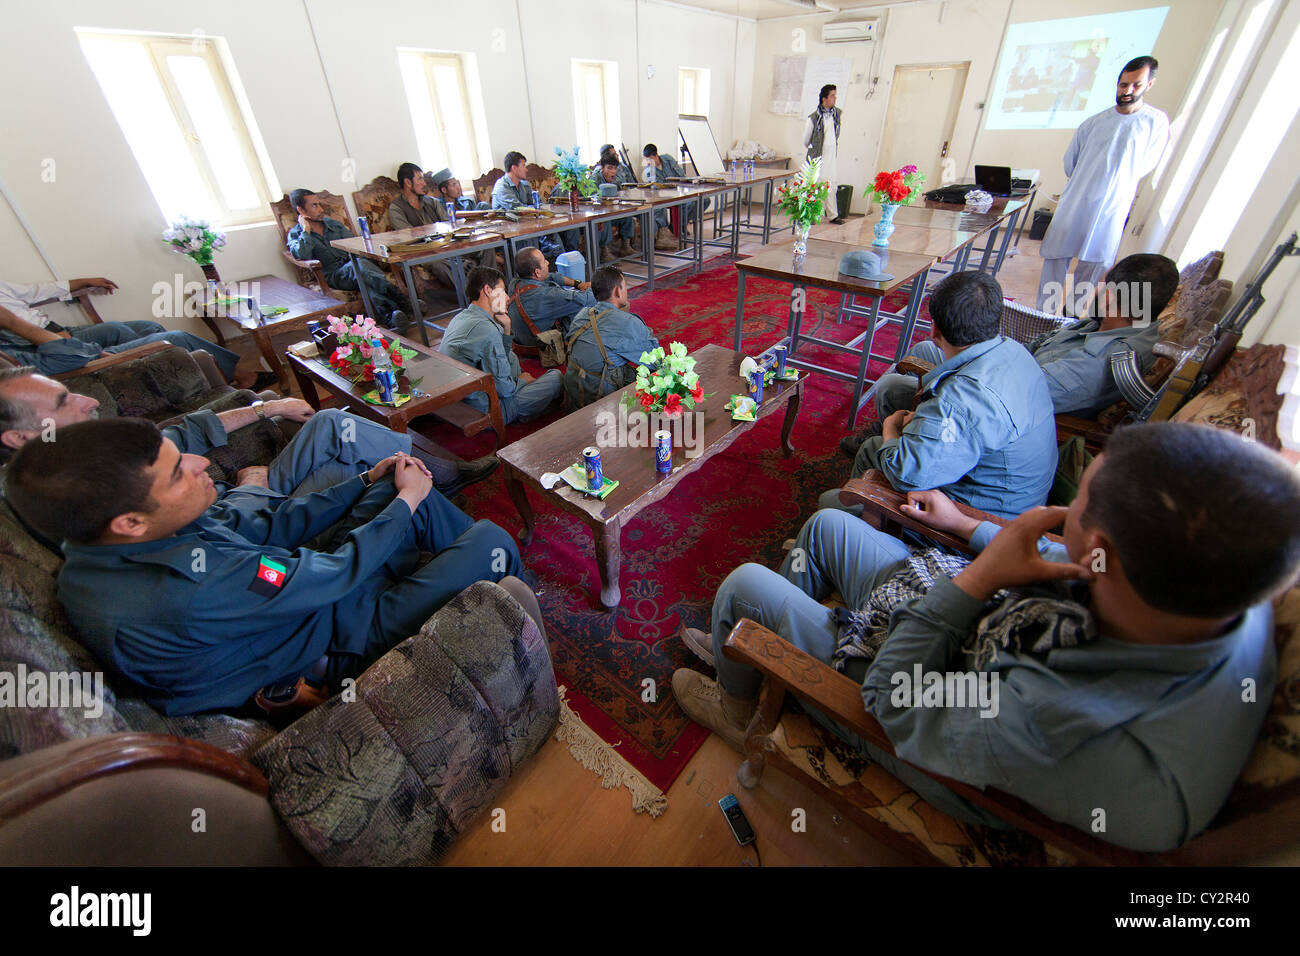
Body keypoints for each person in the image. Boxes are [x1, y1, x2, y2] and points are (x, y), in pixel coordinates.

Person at [673, 422, 1299, 853]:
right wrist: (969, 527)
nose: (1062, 511)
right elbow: (1080, 560)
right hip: (967, 612)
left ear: (1100, 548)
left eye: (1076, 500)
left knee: (744, 585)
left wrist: (977, 578)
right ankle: (776, 645)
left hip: (919, 692)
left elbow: (893, 702)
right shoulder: (1225, 596)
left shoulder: (1057, 723)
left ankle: (743, 694)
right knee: (828, 524)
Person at [6, 417, 526, 716]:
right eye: (177, 472)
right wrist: (405, 505)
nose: (202, 464)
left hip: (303, 594)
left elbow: (271, 527)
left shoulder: (121, 535)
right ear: (129, 522)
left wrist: (367, 482)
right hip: (331, 637)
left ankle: (467, 600)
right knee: (491, 539)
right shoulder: (185, 591)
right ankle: (511, 634)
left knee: (403, 492)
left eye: (180, 454)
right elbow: (337, 573)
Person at [0, 366, 498, 497]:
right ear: (19, 438)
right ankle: (440, 484)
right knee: (355, 460)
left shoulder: (88, 445)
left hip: (250, 493)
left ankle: (440, 475)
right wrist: (250, 489)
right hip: (254, 515)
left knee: (328, 421)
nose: (88, 399)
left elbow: (190, 430)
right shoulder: (78, 490)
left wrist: (268, 407)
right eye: (66, 402)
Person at [831, 271, 1057, 521]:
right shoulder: (1014, 350)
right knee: (887, 411)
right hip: (1022, 501)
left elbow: (904, 475)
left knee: (834, 502)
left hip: (986, 520)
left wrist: (891, 429)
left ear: (934, 329)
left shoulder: (959, 399)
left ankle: (855, 516)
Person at [1036, 56, 1170, 315]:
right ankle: (1044, 314)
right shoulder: (1094, 123)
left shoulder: (1154, 123)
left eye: (1135, 85)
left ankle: (1070, 316)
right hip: (1076, 202)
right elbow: (1070, 163)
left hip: (1111, 208)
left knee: (1092, 264)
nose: (1127, 91)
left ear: (1149, 84)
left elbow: (1146, 165)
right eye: (1123, 84)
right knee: (1056, 259)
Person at [0, 276, 255, 386]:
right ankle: (238, 374)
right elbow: (59, 359)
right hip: (63, 351)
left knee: (147, 328)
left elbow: (36, 291)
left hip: (59, 333)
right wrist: (13, 323)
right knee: (177, 338)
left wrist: (83, 281)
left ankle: (182, 376)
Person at [1028, 252, 1178, 417]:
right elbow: (1038, 345)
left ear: (1107, 298)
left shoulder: (1098, 362)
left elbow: (1018, 395)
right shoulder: (1105, 326)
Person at [438, 267, 562, 424]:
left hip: (465, 400)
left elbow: (501, 359)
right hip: (487, 409)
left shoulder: (461, 317)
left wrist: (507, 328)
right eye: (502, 291)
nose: (507, 297)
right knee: (556, 378)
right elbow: (504, 389)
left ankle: (530, 406)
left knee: (510, 358)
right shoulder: (486, 329)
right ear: (488, 290)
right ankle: (526, 409)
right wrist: (523, 381)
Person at [285, 189, 413, 330]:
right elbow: (301, 254)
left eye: (319, 204)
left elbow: (354, 243)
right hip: (334, 275)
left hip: (355, 267)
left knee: (362, 273)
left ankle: (392, 317)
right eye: (314, 206)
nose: (321, 209)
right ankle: (405, 301)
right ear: (300, 210)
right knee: (359, 267)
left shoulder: (333, 224)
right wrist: (306, 230)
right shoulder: (296, 234)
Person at [563, 266, 658, 409]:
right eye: (625, 287)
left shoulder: (581, 315)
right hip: (599, 400)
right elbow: (655, 361)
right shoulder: (627, 322)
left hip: (574, 392)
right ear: (617, 291)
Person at [386, 162, 494, 285]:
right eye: (420, 179)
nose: (424, 183)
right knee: (439, 264)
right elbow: (409, 236)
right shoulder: (396, 208)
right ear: (408, 182)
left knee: (486, 247)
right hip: (425, 253)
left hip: (447, 246)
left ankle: (493, 288)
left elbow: (449, 226)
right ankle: (473, 293)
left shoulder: (431, 202)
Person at [506, 247, 595, 350]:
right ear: (537, 272)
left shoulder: (515, 282)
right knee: (585, 311)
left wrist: (577, 284)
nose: (548, 262)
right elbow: (587, 299)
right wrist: (591, 286)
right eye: (544, 261)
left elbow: (550, 276)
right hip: (543, 351)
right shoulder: (547, 295)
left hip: (522, 343)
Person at [490, 151, 565, 260]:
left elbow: (537, 204)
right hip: (509, 231)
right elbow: (517, 209)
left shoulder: (524, 185)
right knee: (533, 238)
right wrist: (535, 210)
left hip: (527, 224)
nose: (526, 169)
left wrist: (540, 210)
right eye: (523, 165)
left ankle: (561, 268)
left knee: (553, 234)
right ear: (514, 168)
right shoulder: (501, 186)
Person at [642, 144, 700, 252]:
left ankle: (679, 224)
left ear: (656, 156)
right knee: (662, 206)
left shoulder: (667, 159)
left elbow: (681, 175)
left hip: (681, 190)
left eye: (650, 159)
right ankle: (675, 228)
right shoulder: (649, 170)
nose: (649, 162)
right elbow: (657, 187)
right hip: (666, 195)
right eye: (647, 160)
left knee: (703, 201)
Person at [802, 84, 844, 223]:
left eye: (835, 95)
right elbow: (806, 140)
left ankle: (833, 215)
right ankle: (813, 214)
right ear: (824, 98)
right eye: (832, 96)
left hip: (831, 157)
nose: (835, 98)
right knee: (814, 186)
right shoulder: (813, 118)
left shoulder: (837, 114)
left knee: (831, 185)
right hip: (817, 157)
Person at [592, 158, 637, 260]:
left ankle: (625, 246)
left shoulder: (615, 179)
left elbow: (620, 194)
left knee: (627, 214)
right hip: (600, 213)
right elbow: (591, 198)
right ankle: (604, 251)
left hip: (613, 211)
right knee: (605, 218)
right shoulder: (594, 179)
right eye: (609, 168)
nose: (613, 171)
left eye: (615, 168)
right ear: (602, 168)